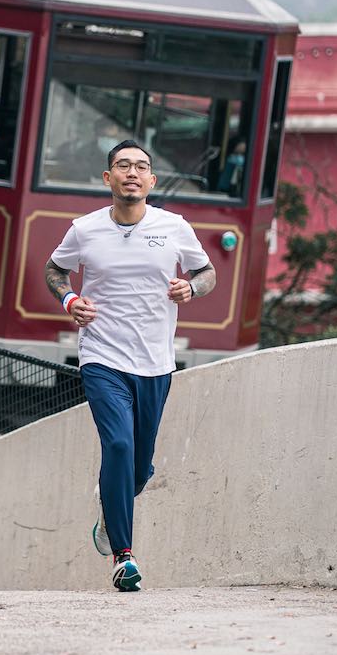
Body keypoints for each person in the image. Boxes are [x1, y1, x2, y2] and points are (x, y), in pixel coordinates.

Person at [44, 140, 216, 592]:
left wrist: (191, 290)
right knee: (118, 445)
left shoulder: (174, 226)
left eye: (141, 167)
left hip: (155, 361)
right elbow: (54, 270)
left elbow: (207, 273)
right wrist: (70, 299)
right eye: (123, 166)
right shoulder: (84, 229)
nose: (132, 173)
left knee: (139, 469)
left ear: (152, 181)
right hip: (102, 355)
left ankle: (110, 509)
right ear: (108, 179)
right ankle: (124, 556)